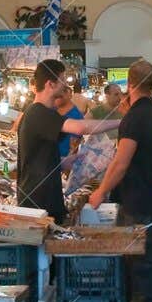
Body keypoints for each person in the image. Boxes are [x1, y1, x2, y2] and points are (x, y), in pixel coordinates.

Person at [88, 59, 152, 302]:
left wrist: (100, 192)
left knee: (143, 264)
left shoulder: (134, 119)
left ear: (130, 83)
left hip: (137, 201)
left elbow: (121, 162)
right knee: (150, 262)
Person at [17, 59, 120, 224]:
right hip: (38, 204)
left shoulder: (41, 113)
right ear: (50, 84)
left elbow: (36, 158)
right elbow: (80, 128)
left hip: (43, 200)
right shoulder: (39, 113)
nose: (66, 84)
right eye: (62, 80)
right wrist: (121, 122)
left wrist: (64, 163)